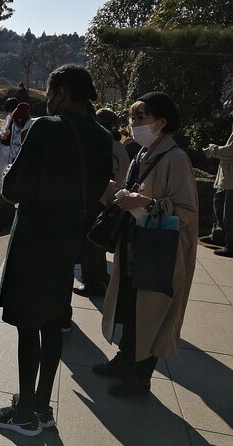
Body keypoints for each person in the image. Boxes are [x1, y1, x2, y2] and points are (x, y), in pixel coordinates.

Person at [0, 64, 112, 436]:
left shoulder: (45, 128)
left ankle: (24, 413)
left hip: (34, 239)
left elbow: (13, 190)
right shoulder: (103, 136)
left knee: (27, 324)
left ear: (59, 93)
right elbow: (95, 194)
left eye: (50, 91)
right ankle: (42, 406)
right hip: (68, 240)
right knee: (54, 322)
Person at [95, 92, 198, 398]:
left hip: (160, 250)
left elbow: (188, 213)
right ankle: (124, 360)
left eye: (142, 117)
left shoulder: (176, 159)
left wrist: (147, 202)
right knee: (130, 305)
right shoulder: (141, 154)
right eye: (132, 117)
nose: (134, 122)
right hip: (135, 244)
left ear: (161, 122)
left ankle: (139, 378)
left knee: (152, 314)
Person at [74, 108, 131, 298]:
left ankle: (92, 284)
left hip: (98, 199)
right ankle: (101, 276)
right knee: (98, 242)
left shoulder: (104, 144)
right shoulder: (118, 145)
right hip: (112, 199)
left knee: (89, 243)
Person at [200, 112, 233, 257]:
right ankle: (218, 236)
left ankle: (231, 245)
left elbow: (230, 150)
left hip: (230, 179)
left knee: (229, 215)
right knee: (219, 205)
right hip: (226, 177)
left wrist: (213, 149)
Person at [0, 100, 34, 191]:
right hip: (3, 150)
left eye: (10, 111)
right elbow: (3, 134)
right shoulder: (9, 118)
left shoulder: (26, 124)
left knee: (10, 178)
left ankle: (8, 198)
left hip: (15, 154)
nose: (10, 114)